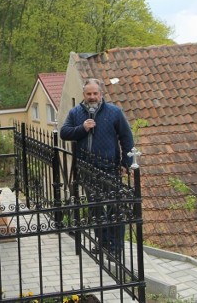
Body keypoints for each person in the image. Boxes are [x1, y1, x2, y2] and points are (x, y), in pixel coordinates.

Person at [59, 78, 134, 258]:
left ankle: (115, 249)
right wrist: (82, 128)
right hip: (87, 169)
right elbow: (64, 133)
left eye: (95, 93)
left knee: (114, 208)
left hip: (109, 168)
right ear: (83, 95)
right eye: (88, 94)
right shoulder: (76, 113)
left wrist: (126, 163)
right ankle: (103, 244)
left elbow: (127, 137)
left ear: (101, 94)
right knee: (96, 209)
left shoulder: (114, 112)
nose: (92, 97)